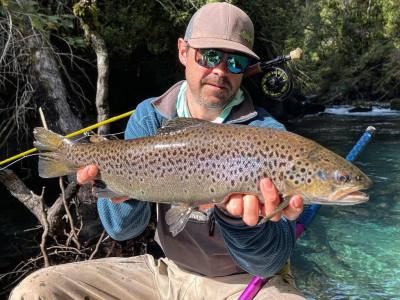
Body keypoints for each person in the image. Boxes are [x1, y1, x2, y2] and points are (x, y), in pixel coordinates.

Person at [10, 3, 306, 299]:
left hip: (245, 282)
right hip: (165, 274)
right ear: (183, 51)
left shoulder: (271, 139)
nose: (220, 70)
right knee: (35, 291)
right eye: (210, 55)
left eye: (236, 62)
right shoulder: (149, 117)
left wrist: (237, 221)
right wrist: (116, 187)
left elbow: (271, 262)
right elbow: (121, 230)